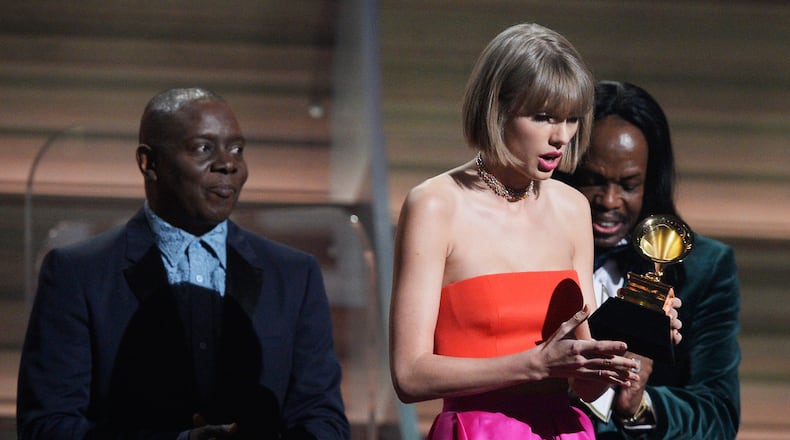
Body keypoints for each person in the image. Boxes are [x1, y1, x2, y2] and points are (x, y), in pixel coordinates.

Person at [388, 24, 682, 439]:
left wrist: (637, 335)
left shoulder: (571, 206)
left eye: (571, 119)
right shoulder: (435, 205)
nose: (561, 137)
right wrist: (535, 364)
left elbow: (586, 383)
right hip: (478, 430)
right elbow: (409, 375)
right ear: (497, 108)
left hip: (567, 429)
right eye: (543, 117)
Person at [17, 87, 350, 439]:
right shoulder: (77, 275)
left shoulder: (294, 275)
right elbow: (47, 426)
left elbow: (323, 421)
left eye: (237, 149)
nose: (228, 163)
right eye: (203, 148)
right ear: (148, 163)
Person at [558, 80, 741, 438]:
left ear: (651, 182)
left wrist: (640, 405)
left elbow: (719, 415)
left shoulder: (704, 269)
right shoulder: (527, 255)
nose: (609, 201)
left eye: (628, 184)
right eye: (592, 180)